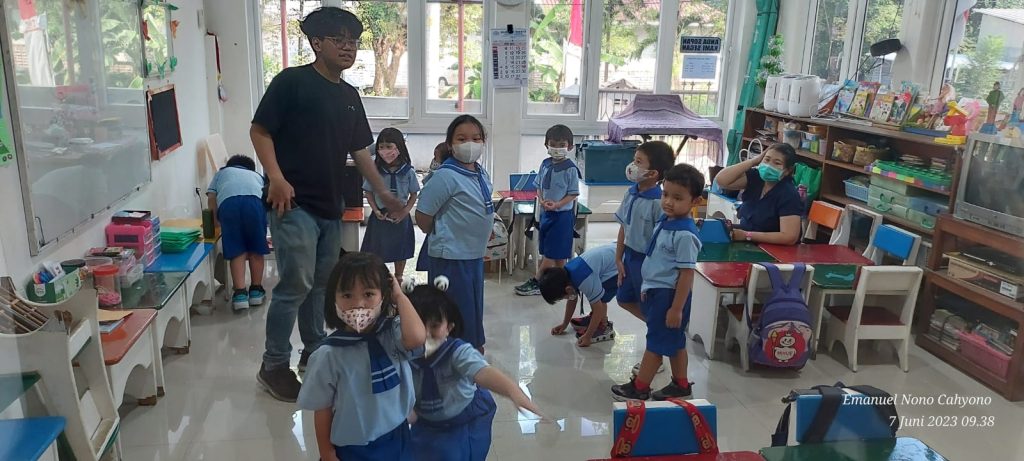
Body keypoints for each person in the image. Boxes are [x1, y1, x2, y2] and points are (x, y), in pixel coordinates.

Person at [250, 7, 404, 402]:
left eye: (353, 42)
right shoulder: (292, 82)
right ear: (316, 43)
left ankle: (314, 350)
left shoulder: (349, 96)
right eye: (339, 40)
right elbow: (260, 130)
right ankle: (273, 365)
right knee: (295, 284)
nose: (348, 48)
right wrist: (276, 178)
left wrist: (383, 192)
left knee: (321, 285)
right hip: (293, 202)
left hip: (329, 205)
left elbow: (361, 151)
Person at [297, 252, 425, 461]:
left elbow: (417, 338)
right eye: (347, 295)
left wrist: (399, 296)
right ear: (333, 299)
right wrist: (327, 452)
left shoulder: (392, 335)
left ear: (384, 296)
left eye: (368, 294)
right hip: (354, 446)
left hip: (397, 435)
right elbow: (322, 408)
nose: (359, 304)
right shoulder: (328, 355)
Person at [405, 278, 544, 461]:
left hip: (464, 420)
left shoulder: (457, 352)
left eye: (435, 326)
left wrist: (513, 391)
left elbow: (483, 372)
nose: (426, 334)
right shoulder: (402, 353)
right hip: (427, 423)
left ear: (449, 328)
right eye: (418, 326)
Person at [611, 164, 704, 401]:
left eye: (678, 198)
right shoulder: (666, 220)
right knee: (675, 342)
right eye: (666, 194)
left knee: (655, 344)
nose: (668, 202)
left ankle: (640, 387)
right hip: (658, 291)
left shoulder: (685, 235)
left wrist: (676, 308)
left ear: (695, 201)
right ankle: (681, 384)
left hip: (669, 296)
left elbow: (687, 274)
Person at [416, 115, 494, 351]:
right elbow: (423, 216)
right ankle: (453, 355)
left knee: (472, 307)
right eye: (462, 139)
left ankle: (472, 348)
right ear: (450, 144)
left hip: (473, 254)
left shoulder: (480, 172)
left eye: (476, 138)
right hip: (451, 257)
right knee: (453, 311)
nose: (470, 144)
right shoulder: (445, 176)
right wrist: (443, 234)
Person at [515, 125, 580, 296]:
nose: (557, 148)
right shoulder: (545, 164)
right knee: (558, 256)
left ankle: (537, 281)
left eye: (562, 145)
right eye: (553, 144)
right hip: (546, 214)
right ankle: (565, 285)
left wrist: (558, 204)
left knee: (551, 254)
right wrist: (542, 200)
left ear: (570, 146)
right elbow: (538, 186)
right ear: (546, 145)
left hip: (562, 217)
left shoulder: (571, 169)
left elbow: (573, 193)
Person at [615, 142, 674, 324]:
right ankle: (654, 324)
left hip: (647, 261)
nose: (632, 166)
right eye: (634, 160)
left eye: (639, 162)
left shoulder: (659, 202)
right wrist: (618, 258)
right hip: (629, 256)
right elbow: (623, 227)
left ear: (653, 173)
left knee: (648, 303)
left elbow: (663, 240)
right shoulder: (630, 193)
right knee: (623, 299)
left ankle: (656, 328)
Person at [206, 154, 269, 311]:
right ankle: (256, 291)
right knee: (256, 249)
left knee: (237, 250)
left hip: (229, 205)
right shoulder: (257, 176)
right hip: (255, 204)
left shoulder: (221, 173)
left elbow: (211, 199)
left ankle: (240, 294)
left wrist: (215, 222)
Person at [715, 143, 802, 245]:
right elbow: (722, 180)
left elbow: (789, 237)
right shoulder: (756, 178)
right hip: (747, 241)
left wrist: (747, 235)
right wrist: (754, 161)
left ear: (788, 171)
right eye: (767, 160)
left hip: (772, 248)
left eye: (777, 163)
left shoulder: (788, 194)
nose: (769, 166)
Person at [362, 128, 419, 282]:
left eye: (389, 146)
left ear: (399, 147)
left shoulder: (408, 171)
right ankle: (379, 278)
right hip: (380, 216)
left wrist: (405, 212)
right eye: (381, 147)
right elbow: (368, 192)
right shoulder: (375, 171)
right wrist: (375, 210)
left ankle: (399, 277)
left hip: (401, 217)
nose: (385, 151)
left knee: (401, 249)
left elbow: (414, 194)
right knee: (376, 249)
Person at [538, 243, 620, 347]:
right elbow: (572, 299)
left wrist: (588, 336)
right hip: (614, 253)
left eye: (562, 297)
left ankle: (603, 326)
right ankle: (595, 319)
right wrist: (564, 324)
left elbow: (598, 307)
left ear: (567, 289)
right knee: (595, 294)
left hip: (619, 265)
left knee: (600, 298)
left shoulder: (584, 279)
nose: (566, 298)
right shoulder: (567, 272)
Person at [415, 142, 450, 274]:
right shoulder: (438, 176)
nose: (433, 161)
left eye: (435, 157)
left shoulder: (440, 178)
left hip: (441, 231)